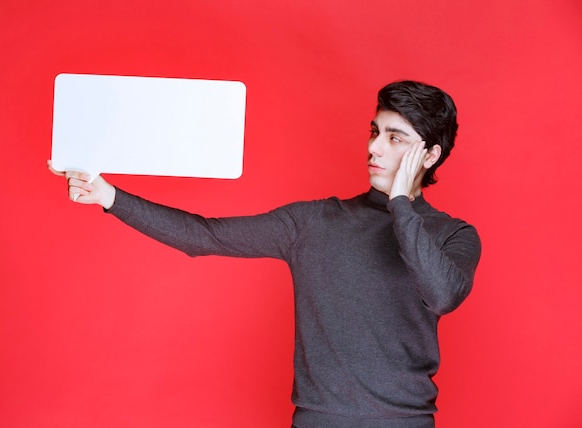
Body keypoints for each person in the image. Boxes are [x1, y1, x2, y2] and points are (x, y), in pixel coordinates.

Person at [49, 80, 481, 428]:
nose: (374, 148)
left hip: (404, 424)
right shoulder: (314, 222)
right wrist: (108, 196)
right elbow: (204, 236)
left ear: (430, 155)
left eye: (395, 138)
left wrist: (401, 203)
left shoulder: (454, 236)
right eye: (374, 132)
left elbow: (442, 293)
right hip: (316, 421)